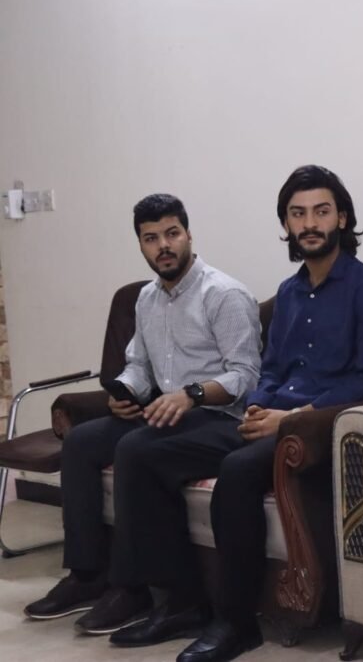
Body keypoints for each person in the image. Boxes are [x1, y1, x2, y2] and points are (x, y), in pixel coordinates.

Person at [112, 166, 363, 662]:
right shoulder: (289, 293)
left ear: (342, 218)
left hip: (319, 430)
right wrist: (258, 406)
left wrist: (291, 418)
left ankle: (236, 623)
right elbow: (271, 369)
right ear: (286, 224)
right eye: (297, 214)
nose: (309, 223)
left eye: (321, 211)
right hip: (270, 419)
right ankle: (181, 601)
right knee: (141, 453)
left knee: (239, 470)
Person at [24, 194, 262, 638]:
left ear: (188, 235)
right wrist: (126, 392)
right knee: (80, 442)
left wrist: (191, 395)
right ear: (140, 244)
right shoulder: (147, 300)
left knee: (136, 449)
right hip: (165, 413)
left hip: (221, 420)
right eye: (151, 238)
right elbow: (138, 364)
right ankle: (87, 574)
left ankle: (139, 590)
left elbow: (245, 375)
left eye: (172, 234)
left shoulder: (224, 294)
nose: (163, 246)